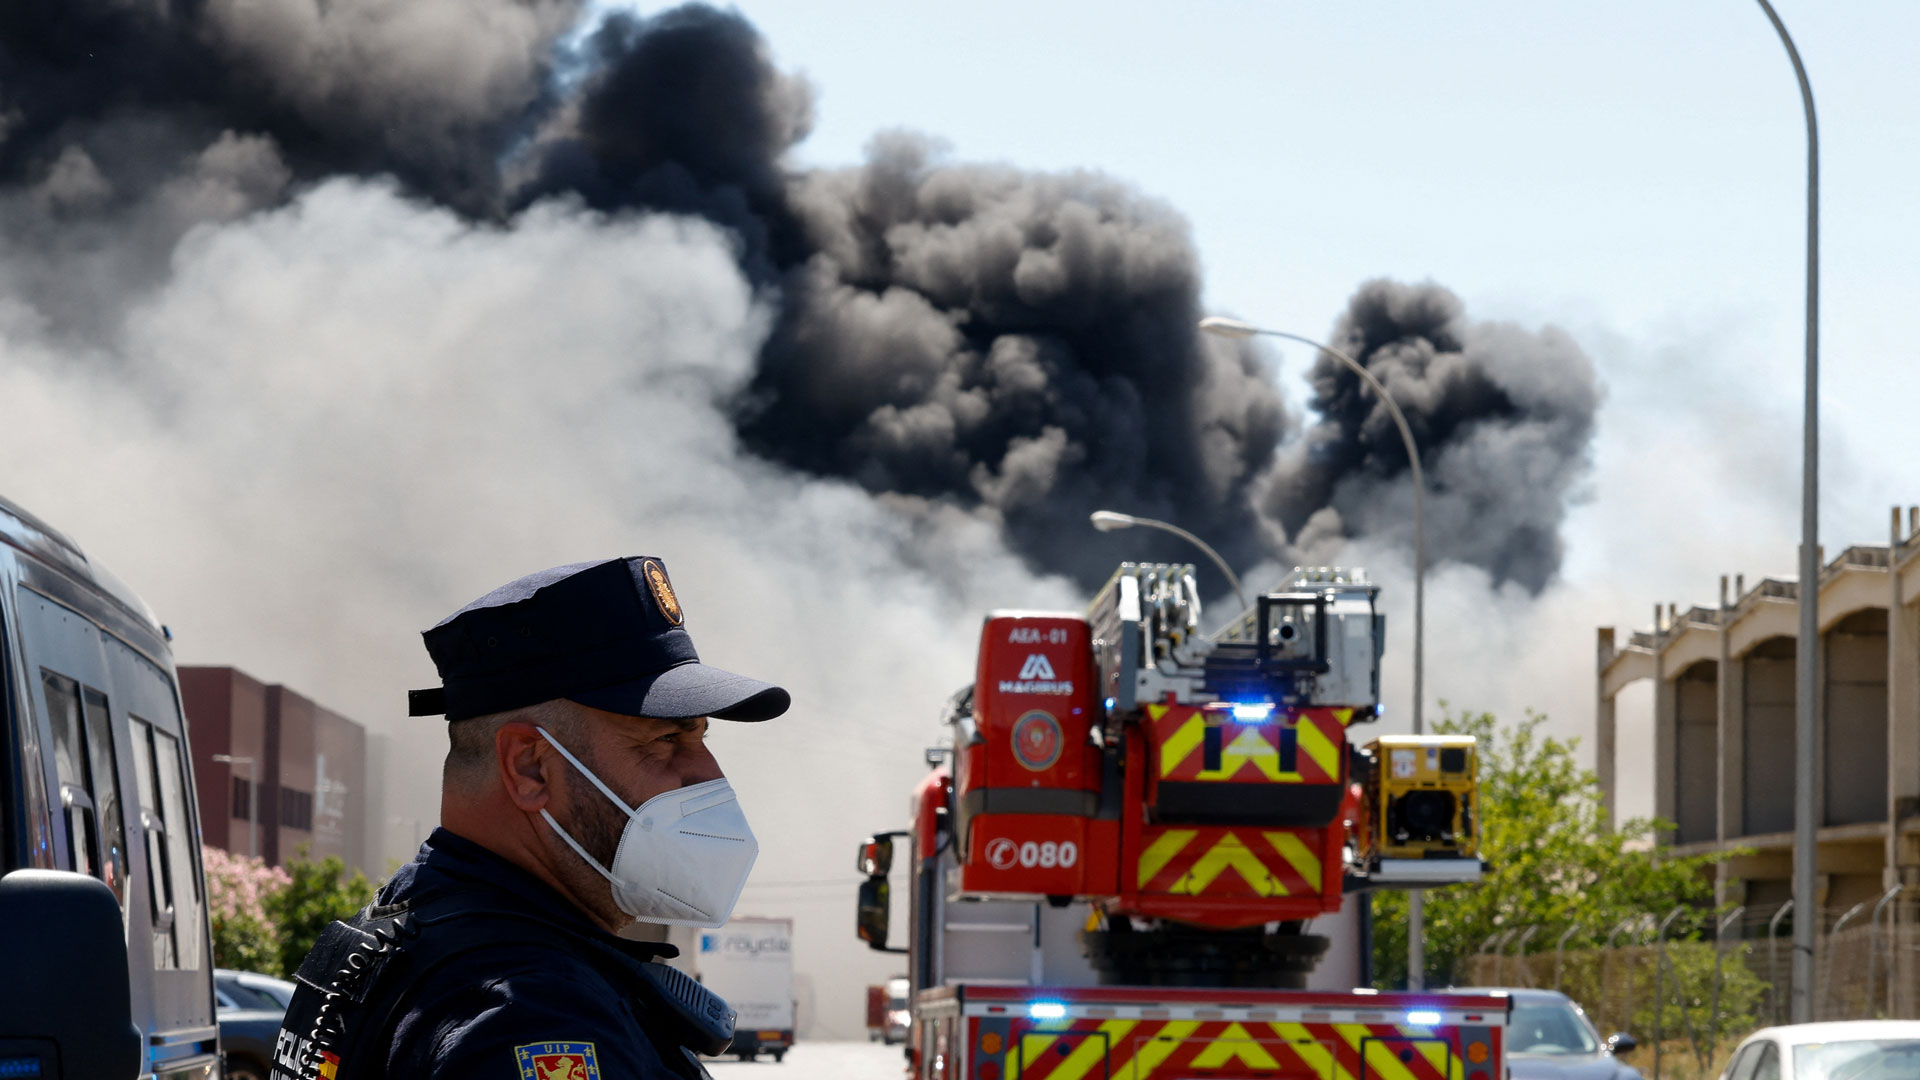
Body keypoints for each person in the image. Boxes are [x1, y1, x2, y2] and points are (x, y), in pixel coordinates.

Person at [270, 557, 789, 1080]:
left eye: (702, 737)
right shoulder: (534, 1017)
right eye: (666, 739)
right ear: (530, 767)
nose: (708, 774)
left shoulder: (412, 924)